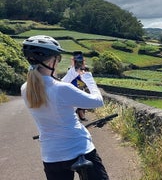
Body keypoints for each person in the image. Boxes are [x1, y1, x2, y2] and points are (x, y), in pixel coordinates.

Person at [21, 35, 109, 180]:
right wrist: (88, 79)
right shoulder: (61, 89)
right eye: (58, 58)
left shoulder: (26, 88)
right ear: (52, 61)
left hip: (51, 155)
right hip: (80, 149)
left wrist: (72, 73)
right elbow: (98, 101)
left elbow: (54, 90)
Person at [63, 51, 88, 121]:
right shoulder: (71, 70)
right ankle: (79, 115)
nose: (79, 62)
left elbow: (83, 78)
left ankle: (80, 115)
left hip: (78, 87)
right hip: (72, 88)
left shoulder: (83, 69)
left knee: (81, 102)